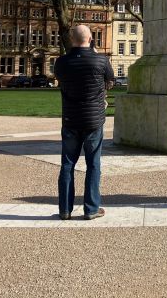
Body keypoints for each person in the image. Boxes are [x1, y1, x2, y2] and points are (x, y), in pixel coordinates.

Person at [54, 24, 114, 221]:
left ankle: (65, 209)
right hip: (93, 119)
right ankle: (91, 208)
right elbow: (110, 81)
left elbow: (62, 80)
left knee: (67, 164)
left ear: (72, 40)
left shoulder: (61, 62)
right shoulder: (101, 60)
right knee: (93, 164)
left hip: (71, 118)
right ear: (90, 39)